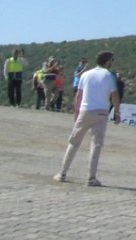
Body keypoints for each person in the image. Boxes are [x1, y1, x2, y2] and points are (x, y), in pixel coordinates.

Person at [53, 50, 120, 186]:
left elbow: (78, 95)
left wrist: (76, 112)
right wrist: (117, 112)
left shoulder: (86, 74)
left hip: (85, 110)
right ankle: (91, 178)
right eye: (112, 61)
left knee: (74, 142)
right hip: (101, 112)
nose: (112, 63)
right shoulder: (109, 76)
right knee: (96, 145)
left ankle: (62, 173)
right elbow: (114, 95)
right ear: (107, 62)